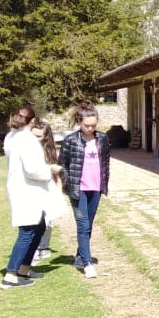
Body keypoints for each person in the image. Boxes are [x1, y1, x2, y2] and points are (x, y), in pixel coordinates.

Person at [1, 108, 57, 289]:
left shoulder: (11, 136)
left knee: (39, 226)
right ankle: (11, 274)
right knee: (27, 230)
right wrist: (51, 170)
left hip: (21, 188)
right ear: (32, 121)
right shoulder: (27, 140)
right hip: (27, 191)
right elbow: (33, 170)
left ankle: (24, 269)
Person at [58, 105, 111, 279]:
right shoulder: (71, 140)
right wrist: (68, 182)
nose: (90, 129)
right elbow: (62, 164)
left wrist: (105, 184)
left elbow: (106, 164)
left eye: (93, 125)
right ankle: (87, 264)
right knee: (83, 225)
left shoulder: (102, 139)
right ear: (80, 122)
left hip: (95, 188)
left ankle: (80, 257)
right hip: (78, 189)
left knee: (88, 226)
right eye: (87, 125)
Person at [33, 120, 68, 260]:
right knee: (33, 220)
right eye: (33, 135)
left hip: (48, 188)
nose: (35, 140)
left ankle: (44, 246)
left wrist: (59, 190)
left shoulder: (52, 152)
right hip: (32, 189)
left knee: (47, 220)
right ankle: (33, 247)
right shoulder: (26, 150)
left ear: (46, 137)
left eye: (39, 137)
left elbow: (57, 174)